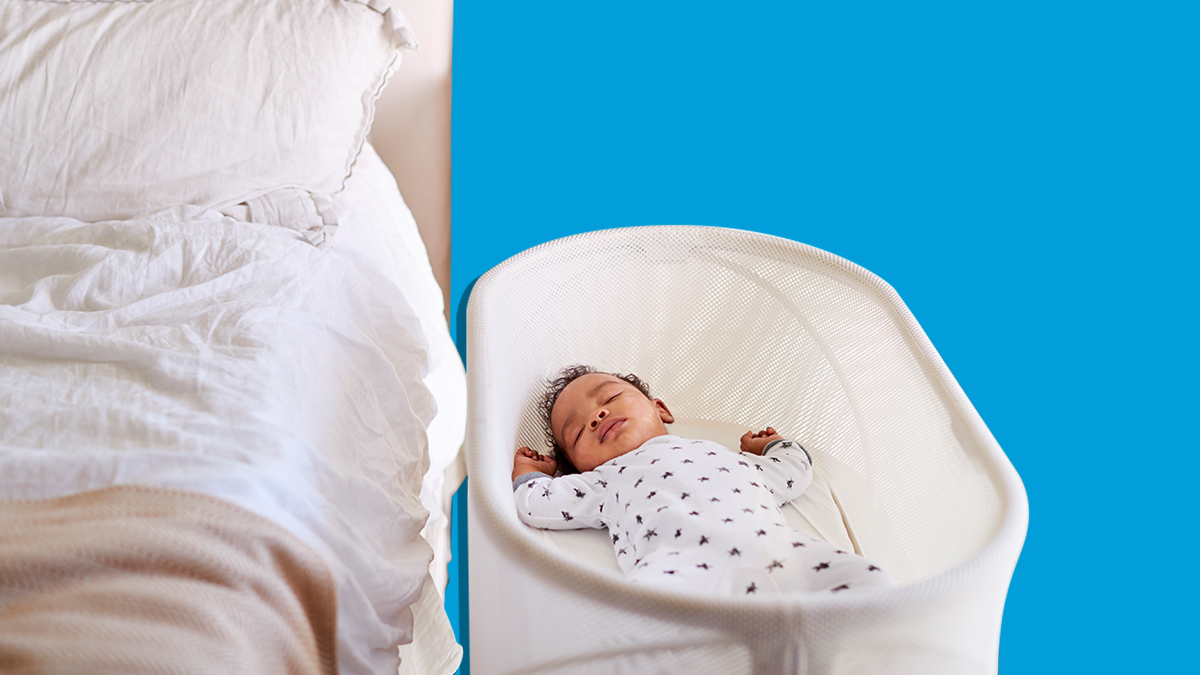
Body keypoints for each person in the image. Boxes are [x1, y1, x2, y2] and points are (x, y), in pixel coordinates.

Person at [512, 365, 893, 596]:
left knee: (867, 581)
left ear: (661, 409)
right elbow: (536, 504)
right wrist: (531, 473)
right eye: (577, 431)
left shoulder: (727, 456)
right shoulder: (603, 481)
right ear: (579, 468)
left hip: (776, 552)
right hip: (681, 569)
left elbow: (793, 471)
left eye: (609, 397)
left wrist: (772, 446)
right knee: (646, 620)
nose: (596, 417)